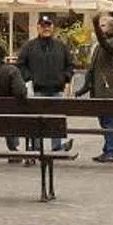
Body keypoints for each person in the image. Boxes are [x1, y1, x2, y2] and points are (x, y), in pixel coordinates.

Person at [14, 18, 76, 154]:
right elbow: (20, 65)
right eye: (43, 26)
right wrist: (30, 78)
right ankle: (36, 146)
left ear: (53, 27)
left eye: (48, 26)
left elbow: (70, 65)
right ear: (38, 28)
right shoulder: (29, 46)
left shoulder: (61, 46)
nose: (46, 28)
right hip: (37, 90)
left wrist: (65, 77)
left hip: (56, 89)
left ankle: (57, 145)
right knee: (37, 119)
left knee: (56, 119)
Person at [84, 13, 113, 163]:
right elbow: (92, 69)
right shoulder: (100, 47)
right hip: (98, 91)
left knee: (110, 121)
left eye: (102, 25)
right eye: (100, 25)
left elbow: (102, 40)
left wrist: (94, 21)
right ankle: (108, 149)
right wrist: (84, 88)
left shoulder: (112, 43)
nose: (99, 29)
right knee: (104, 122)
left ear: (111, 29)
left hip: (108, 92)